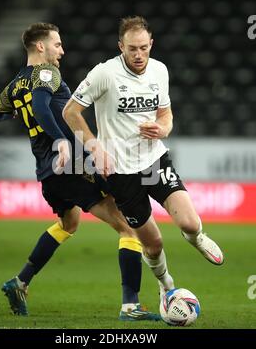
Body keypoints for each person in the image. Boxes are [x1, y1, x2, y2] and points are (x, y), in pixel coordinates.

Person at [0, 22, 161, 321]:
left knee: (69, 224)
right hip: (70, 167)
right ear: (40, 47)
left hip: (47, 174)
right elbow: (41, 107)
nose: (62, 51)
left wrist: (16, 110)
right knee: (128, 227)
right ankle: (131, 305)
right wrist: (60, 142)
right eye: (57, 44)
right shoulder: (47, 73)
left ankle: (20, 281)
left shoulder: (15, 84)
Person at [63, 16, 224, 296]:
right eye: (131, 49)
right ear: (120, 47)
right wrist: (92, 145)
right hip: (121, 174)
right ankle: (167, 287)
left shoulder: (160, 71)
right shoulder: (104, 73)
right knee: (153, 244)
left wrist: (163, 128)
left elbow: (166, 113)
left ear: (151, 44)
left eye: (143, 48)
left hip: (153, 161)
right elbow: (70, 112)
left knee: (188, 222)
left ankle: (197, 236)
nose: (138, 55)